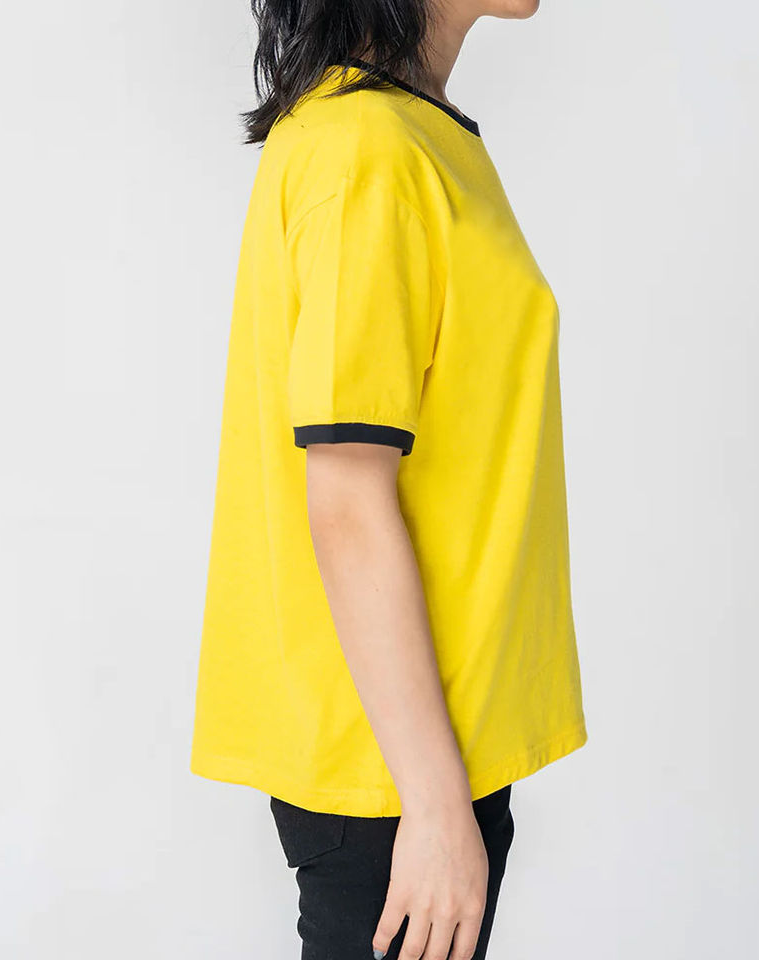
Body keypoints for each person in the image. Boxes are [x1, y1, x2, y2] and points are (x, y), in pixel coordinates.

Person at [190, 1, 587, 957]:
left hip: (422, 749)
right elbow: (347, 499)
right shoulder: (368, 152)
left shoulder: (400, 134)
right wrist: (436, 806)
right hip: (394, 774)